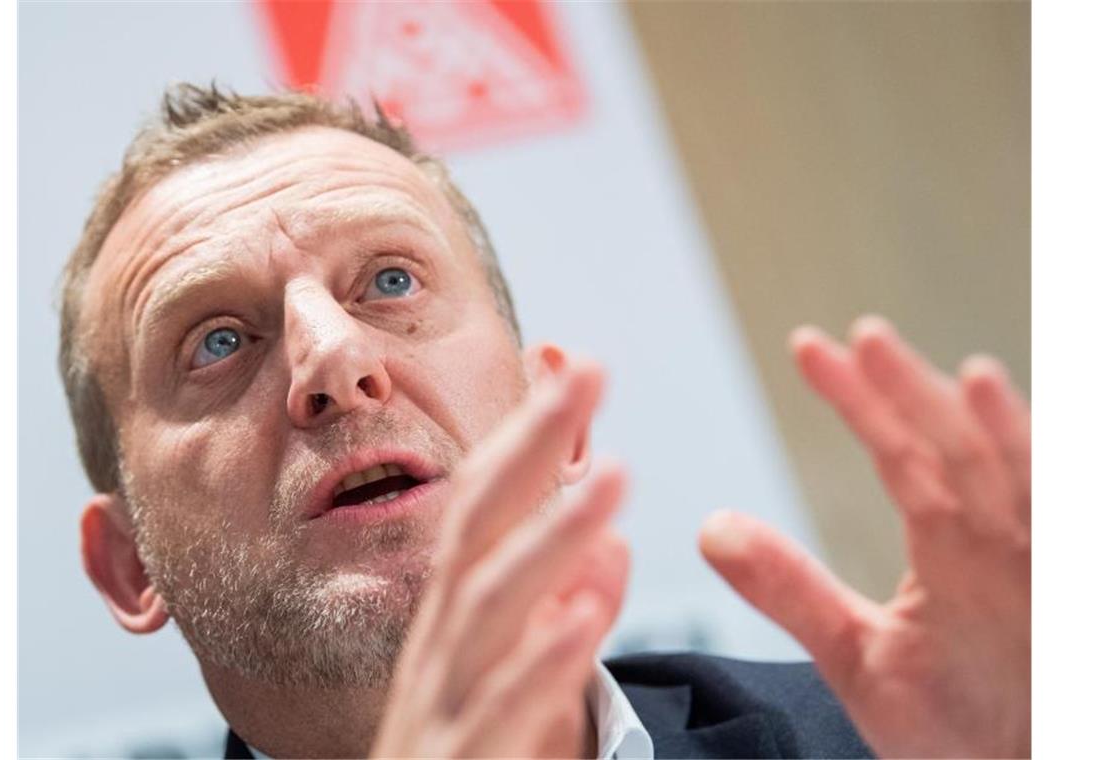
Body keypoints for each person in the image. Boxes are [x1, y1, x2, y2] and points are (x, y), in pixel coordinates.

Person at [60, 83, 1030, 759]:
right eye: (218, 340)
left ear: (556, 424)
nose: (336, 361)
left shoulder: (903, 744)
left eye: (390, 281)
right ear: (131, 563)